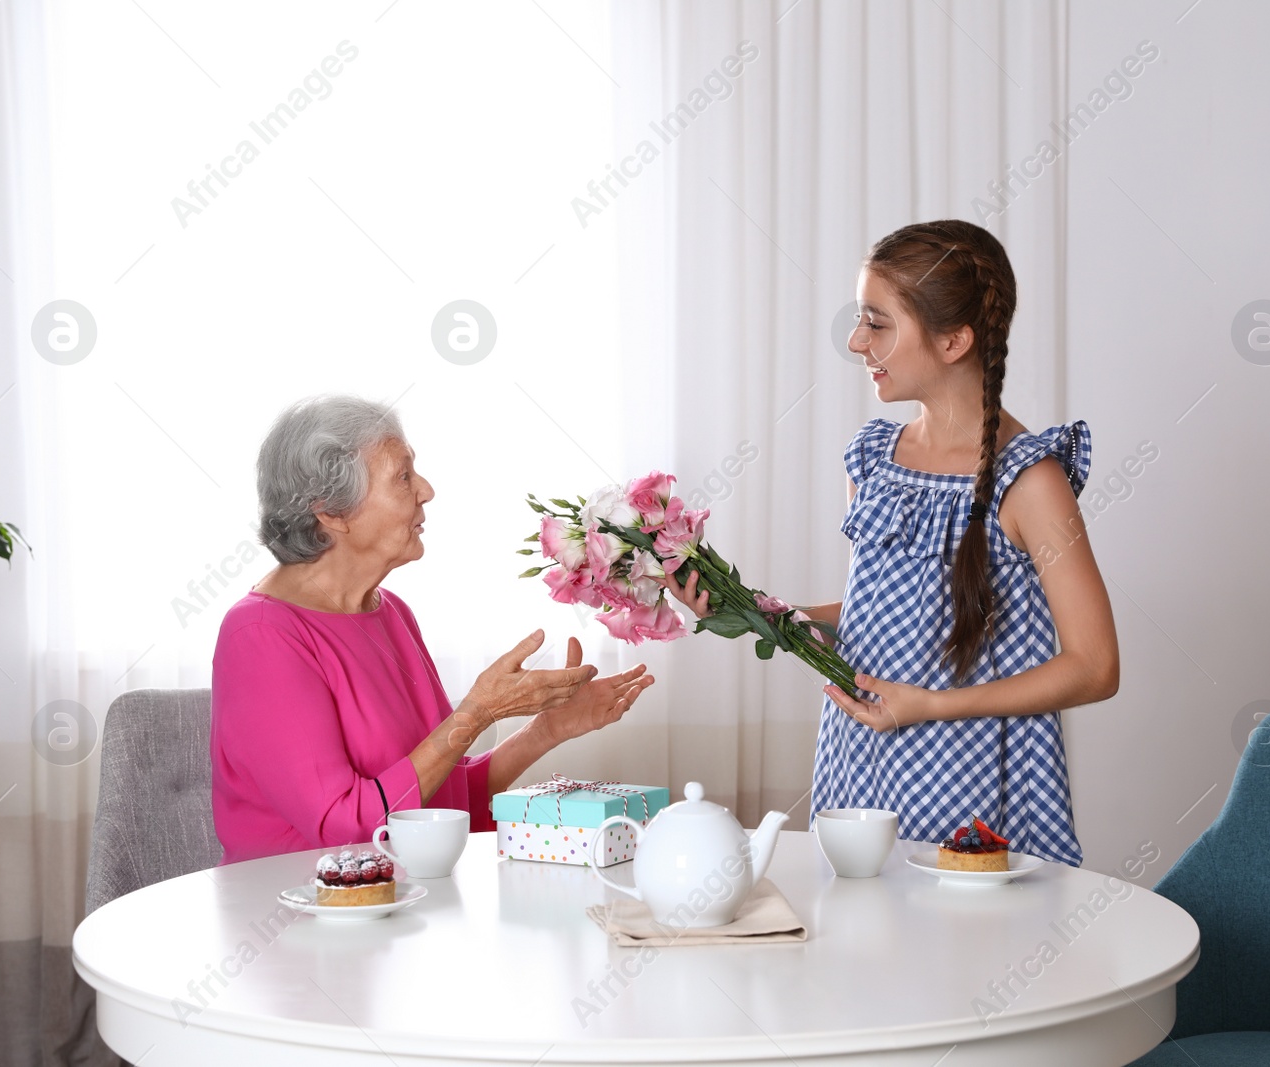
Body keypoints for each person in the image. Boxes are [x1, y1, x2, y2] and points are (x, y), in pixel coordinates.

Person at [665, 220, 1117, 864]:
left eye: (877, 323)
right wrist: (766, 615)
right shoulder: (874, 458)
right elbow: (882, 618)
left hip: (974, 779)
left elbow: (1096, 667)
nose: (856, 342)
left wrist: (931, 706)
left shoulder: (1031, 479)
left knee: (965, 955)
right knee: (861, 948)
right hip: (864, 765)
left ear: (954, 339)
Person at [211, 395, 653, 864]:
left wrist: (547, 729)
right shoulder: (260, 635)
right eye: (403, 476)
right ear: (330, 511)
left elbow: (441, 798)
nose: (426, 489)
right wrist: (475, 714)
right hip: (306, 912)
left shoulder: (391, 613)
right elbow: (342, 828)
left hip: (401, 904)